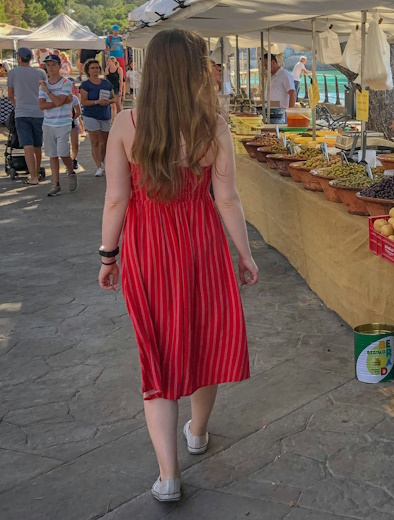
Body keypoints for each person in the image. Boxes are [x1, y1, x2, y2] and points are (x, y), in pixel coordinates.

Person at [97, 28, 257, 503]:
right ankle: (198, 432)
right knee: (205, 340)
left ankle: (168, 477)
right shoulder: (214, 127)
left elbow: (115, 201)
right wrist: (244, 255)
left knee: (159, 353)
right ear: (194, 71)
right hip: (202, 243)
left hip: (149, 249)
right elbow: (226, 200)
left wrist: (109, 257)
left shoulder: (126, 125)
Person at [38, 53, 76, 196]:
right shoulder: (43, 84)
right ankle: (56, 183)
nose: (51, 68)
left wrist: (49, 92)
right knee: (52, 154)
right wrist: (60, 101)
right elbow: (41, 105)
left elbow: (59, 101)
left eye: (53, 65)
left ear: (59, 66)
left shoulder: (66, 83)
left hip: (63, 122)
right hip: (48, 123)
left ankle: (71, 171)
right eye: (48, 65)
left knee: (63, 152)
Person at [8, 47, 47, 185]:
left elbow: (10, 95)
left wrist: (17, 105)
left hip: (22, 113)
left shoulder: (13, 73)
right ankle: (36, 173)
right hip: (39, 112)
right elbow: (45, 91)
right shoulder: (41, 72)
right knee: (37, 145)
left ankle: (33, 177)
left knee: (27, 145)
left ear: (19, 58)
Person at [79, 59, 116, 177]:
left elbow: (114, 98)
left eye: (97, 68)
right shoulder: (85, 85)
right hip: (90, 114)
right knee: (95, 141)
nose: (95, 70)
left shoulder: (106, 83)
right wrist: (96, 102)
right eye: (92, 68)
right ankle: (98, 166)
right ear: (88, 71)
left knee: (104, 142)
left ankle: (104, 161)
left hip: (104, 114)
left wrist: (108, 101)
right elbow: (84, 101)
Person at [70, 86, 82, 171]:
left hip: (73, 123)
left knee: (75, 143)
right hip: (63, 123)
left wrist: (73, 119)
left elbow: (78, 111)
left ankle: (74, 158)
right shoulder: (59, 98)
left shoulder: (74, 98)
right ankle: (68, 160)